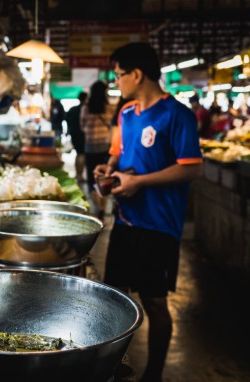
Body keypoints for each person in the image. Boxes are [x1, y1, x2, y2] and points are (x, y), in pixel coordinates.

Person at [94, 42, 202, 382]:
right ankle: (112, 366)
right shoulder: (126, 113)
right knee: (115, 298)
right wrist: (107, 171)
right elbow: (118, 155)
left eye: (119, 75)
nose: (117, 82)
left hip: (159, 226)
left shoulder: (178, 115)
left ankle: (153, 373)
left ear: (137, 74)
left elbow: (189, 168)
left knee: (155, 302)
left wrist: (141, 183)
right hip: (125, 221)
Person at [81, 81, 114, 193]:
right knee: (104, 176)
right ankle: (103, 204)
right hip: (105, 147)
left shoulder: (86, 108)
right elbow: (112, 126)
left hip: (90, 146)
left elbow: (82, 125)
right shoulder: (109, 108)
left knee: (92, 177)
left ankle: (97, 205)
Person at [65, 91, 87, 181]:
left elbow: (67, 120)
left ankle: (78, 174)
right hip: (82, 135)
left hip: (74, 134)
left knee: (78, 154)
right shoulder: (86, 109)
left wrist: (68, 131)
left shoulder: (72, 109)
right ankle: (80, 175)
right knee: (82, 154)